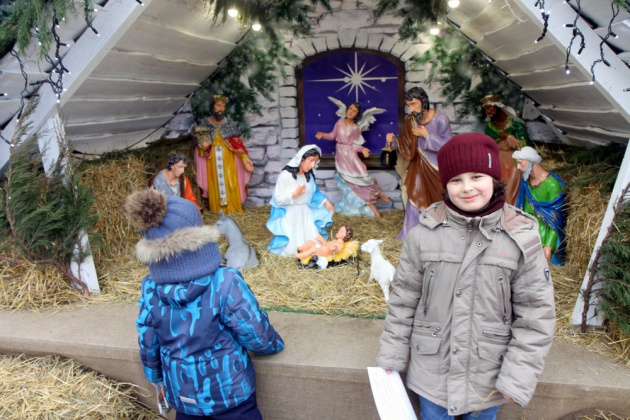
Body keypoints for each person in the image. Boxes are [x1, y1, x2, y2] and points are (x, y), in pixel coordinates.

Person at [377, 133, 555, 420]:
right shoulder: (422, 235)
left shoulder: (521, 237)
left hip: (488, 375)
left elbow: (536, 313)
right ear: (445, 185)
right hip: (432, 372)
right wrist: (391, 355)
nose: (467, 187)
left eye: (477, 177)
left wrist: (518, 375)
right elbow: (403, 300)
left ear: (494, 179)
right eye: (456, 180)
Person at [124, 188, 285, 419]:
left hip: (183, 398)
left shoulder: (150, 287)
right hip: (232, 397)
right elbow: (256, 333)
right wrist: (274, 345)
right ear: (200, 239)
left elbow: (148, 338)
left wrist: (154, 375)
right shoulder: (225, 280)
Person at [385, 86, 452, 240]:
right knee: (414, 199)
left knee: (439, 201)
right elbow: (407, 145)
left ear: (423, 101)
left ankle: (438, 235)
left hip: (436, 168)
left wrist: (426, 135)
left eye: (414, 104)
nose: (412, 109)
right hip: (418, 167)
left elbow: (448, 145)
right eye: (409, 105)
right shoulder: (411, 121)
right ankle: (412, 235)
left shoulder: (440, 119)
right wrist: (394, 141)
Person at [315, 101, 389, 217]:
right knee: (351, 182)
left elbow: (355, 145)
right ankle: (373, 208)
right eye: (350, 109)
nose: (351, 112)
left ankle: (377, 193)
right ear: (347, 109)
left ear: (357, 115)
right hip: (341, 156)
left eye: (355, 111)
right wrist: (323, 135)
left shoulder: (355, 128)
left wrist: (363, 149)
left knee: (363, 175)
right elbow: (332, 136)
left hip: (351, 155)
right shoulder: (339, 122)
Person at [266, 145, 334, 257]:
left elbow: (314, 192)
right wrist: (294, 194)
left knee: (314, 239)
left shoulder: (309, 176)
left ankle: (310, 252)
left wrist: (326, 201)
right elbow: (277, 198)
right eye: (310, 160)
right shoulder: (285, 175)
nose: (313, 165)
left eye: (315, 162)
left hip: (306, 211)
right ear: (301, 159)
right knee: (292, 245)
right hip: (291, 213)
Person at [193, 94, 254, 214]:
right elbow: (199, 145)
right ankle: (217, 211)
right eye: (218, 105)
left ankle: (233, 210)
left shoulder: (229, 123)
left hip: (228, 158)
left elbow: (237, 143)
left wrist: (244, 157)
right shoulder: (204, 123)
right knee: (215, 183)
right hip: (211, 159)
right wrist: (203, 146)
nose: (220, 109)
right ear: (213, 106)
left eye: (223, 106)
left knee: (231, 183)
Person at [513, 146, 566, 265]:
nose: (518, 167)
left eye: (521, 163)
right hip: (530, 229)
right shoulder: (526, 181)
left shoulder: (552, 185)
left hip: (547, 232)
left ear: (531, 161)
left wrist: (549, 245)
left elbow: (555, 221)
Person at [481, 93, 528, 205]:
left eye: (490, 108)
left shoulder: (514, 124)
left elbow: (524, 144)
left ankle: (511, 207)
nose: (488, 111)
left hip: (514, 160)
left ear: (498, 107)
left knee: (509, 187)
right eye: (486, 109)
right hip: (498, 161)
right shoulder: (490, 127)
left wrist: (508, 137)